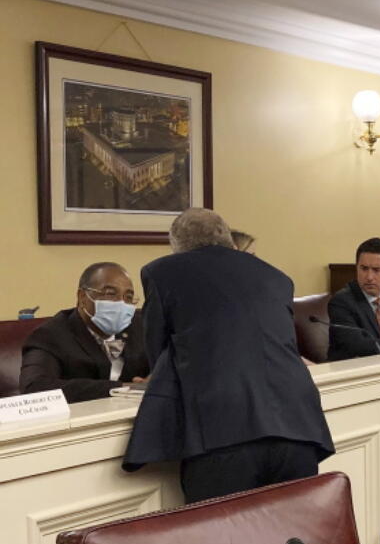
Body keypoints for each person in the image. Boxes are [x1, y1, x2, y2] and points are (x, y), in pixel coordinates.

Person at [122, 208, 334, 504]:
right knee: (294, 536)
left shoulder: (163, 272)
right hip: (297, 426)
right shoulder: (276, 277)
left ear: (176, 246)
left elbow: (157, 348)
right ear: (227, 238)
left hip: (222, 431)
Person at [20, 262, 150, 403]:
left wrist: (155, 378)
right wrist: (122, 388)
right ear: (82, 297)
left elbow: (169, 360)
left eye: (128, 297)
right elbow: (34, 387)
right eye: (110, 294)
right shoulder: (49, 335)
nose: (121, 304)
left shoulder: (141, 325)